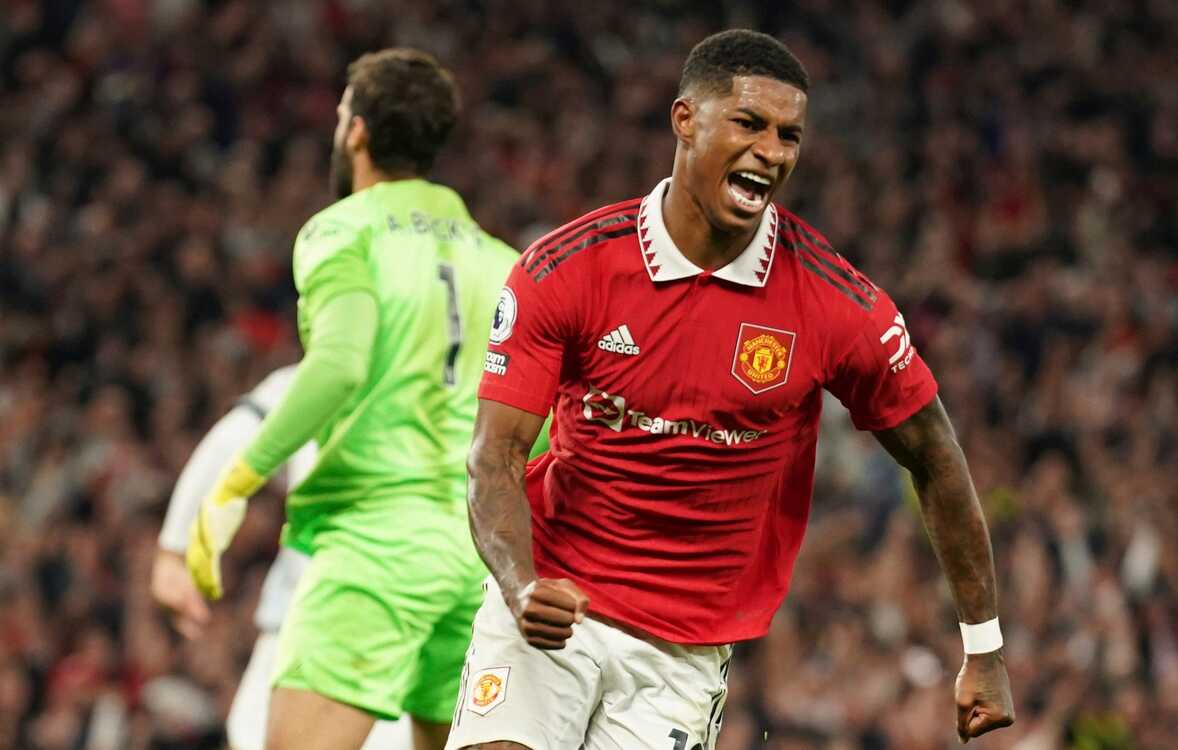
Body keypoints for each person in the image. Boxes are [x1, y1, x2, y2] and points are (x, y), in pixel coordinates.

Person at [450, 29, 1015, 750]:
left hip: (682, 651)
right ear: (685, 120)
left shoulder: (834, 303)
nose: (772, 152)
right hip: (553, 607)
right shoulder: (567, 269)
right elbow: (494, 456)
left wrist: (984, 646)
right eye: (750, 124)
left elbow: (935, 454)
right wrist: (520, 583)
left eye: (789, 135)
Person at [184, 49, 521, 750]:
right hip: (477, 556)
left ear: (357, 130)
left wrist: (237, 483)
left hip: (375, 546)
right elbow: (534, 421)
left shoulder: (343, 230)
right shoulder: (505, 262)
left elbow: (338, 365)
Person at [152, 365, 412, 750]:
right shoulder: (465, 379)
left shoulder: (335, 363)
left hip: (338, 620)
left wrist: (173, 549)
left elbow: (231, 441)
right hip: (397, 622)